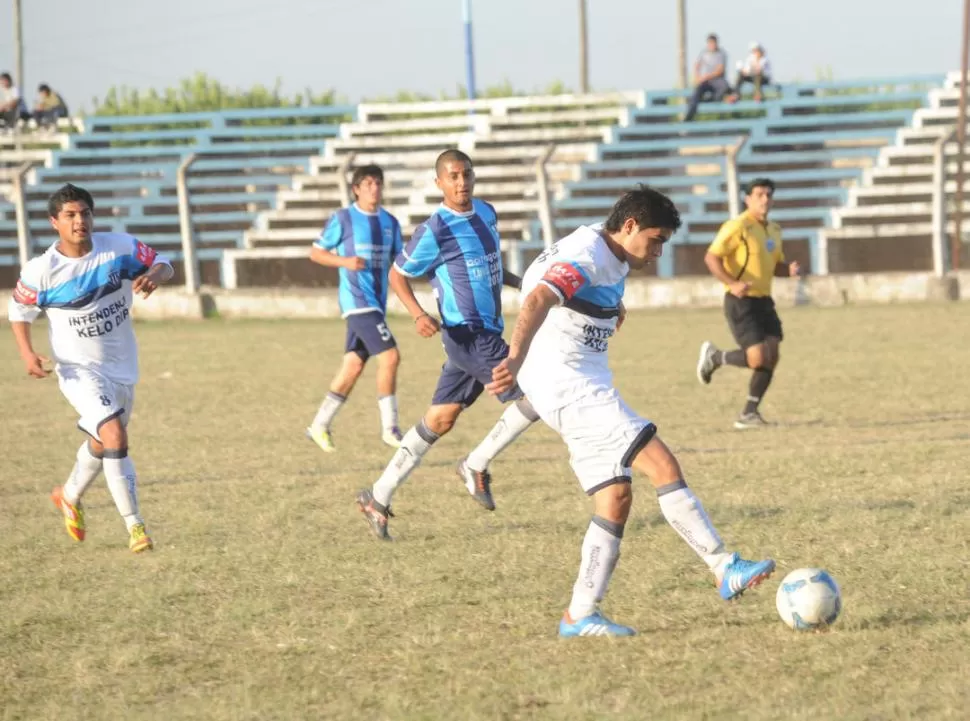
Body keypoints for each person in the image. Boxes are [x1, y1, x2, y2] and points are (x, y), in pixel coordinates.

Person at [486, 186, 776, 637]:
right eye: (655, 240)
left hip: (578, 382)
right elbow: (540, 295)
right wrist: (517, 356)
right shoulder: (586, 253)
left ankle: (578, 615)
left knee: (616, 498)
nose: (658, 252)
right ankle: (724, 567)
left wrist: (609, 306)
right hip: (569, 384)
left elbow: (557, 281)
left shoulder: (607, 250)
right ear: (629, 226)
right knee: (661, 463)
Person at [355, 149, 539, 540]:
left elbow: (489, 262)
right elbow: (397, 274)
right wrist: (419, 315)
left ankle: (378, 495)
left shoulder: (487, 213)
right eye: (453, 176)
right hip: (467, 335)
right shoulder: (435, 230)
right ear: (439, 183)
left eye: (467, 174)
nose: (462, 183)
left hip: (486, 332)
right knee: (537, 397)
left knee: (439, 420)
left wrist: (521, 283)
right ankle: (476, 463)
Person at [8, 183, 174, 552]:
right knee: (115, 435)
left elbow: (164, 263)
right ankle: (136, 527)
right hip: (77, 369)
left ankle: (68, 495)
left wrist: (155, 276)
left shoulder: (119, 248)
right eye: (69, 215)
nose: (79, 220)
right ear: (55, 222)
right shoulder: (41, 271)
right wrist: (27, 354)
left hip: (122, 366)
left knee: (102, 442)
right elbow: (18, 312)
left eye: (84, 213)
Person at [305, 165, 405, 452]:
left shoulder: (390, 223)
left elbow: (400, 262)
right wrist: (345, 262)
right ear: (356, 189)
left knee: (353, 365)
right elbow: (316, 253)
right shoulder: (344, 218)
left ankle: (319, 425)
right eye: (368, 183)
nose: (374, 188)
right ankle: (390, 429)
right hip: (357, 302)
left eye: (378, 183)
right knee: (390, 356)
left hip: (377, 303)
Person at [695, 178, 800, 429]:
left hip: (765, 300)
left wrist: (789, 269)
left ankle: (749, 414)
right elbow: (712, 257)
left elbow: (774, 266)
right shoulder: (737, 226)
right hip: (740, 301)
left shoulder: (773, 229)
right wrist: (731, 283)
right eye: (760, 194)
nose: (765, 199)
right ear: (748, 199)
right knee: (757, 358)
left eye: (768, 195)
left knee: (772, 355)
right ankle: (716, 357)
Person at [683, 34, 731, 122]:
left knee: (724, 86)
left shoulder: (721, 54)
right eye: (710, 43)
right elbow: (697, 65)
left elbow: (720, 70)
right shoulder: (703, 53)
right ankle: (688, 117)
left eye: (713, 43)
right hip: (705, 81)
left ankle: (710, 100)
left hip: (717, 80)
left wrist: (707, 76)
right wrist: (697, 76)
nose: (712, 45)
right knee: (697, 92)